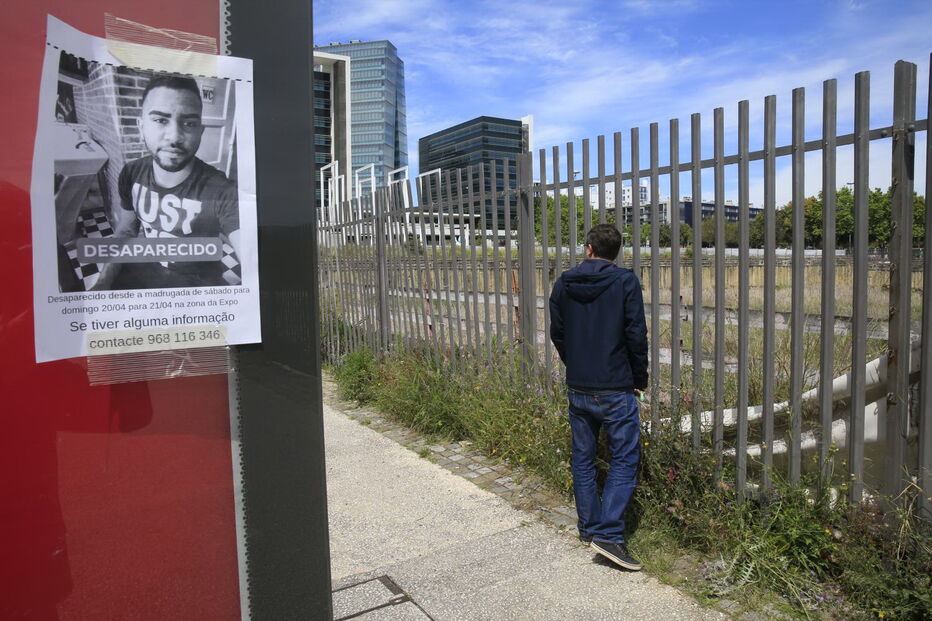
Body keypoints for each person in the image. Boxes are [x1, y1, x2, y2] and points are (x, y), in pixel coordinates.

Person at [548, 223, 648, 571]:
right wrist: (640, 377)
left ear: (588, 247)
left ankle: (589, 527)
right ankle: (608, 534)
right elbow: (635, 333)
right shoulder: (625, 282)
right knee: (624, 459)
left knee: (583, 457)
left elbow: (556, 332)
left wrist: (574, 363)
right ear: (615, 252)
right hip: (615, 386)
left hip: (579, 386)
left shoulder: (563, 282)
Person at [93, 75, 240, 290]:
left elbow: (252, 252)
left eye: (189, 123)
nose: (174, 137)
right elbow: (126, 231)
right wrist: (102, 283)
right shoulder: (131, 173)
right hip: (148, 273)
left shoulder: (222, 191)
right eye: (161, 120)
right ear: (141, 126)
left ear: (201, 131)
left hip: (199, 289)